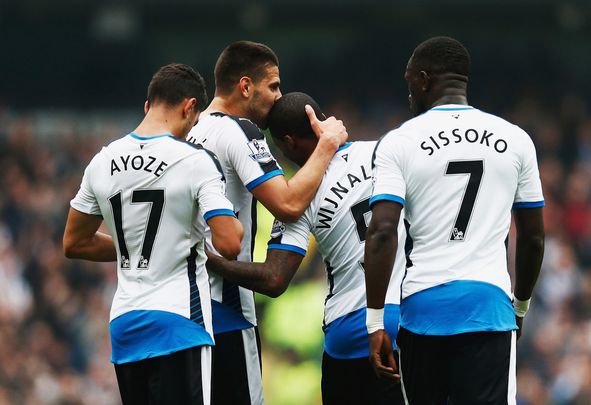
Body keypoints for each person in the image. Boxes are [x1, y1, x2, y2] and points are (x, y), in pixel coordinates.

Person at [364, 36, 545, 404]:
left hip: (422, 308)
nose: (409, 95)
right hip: (488, 306)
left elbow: (382, 231)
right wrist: (521, 306)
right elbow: (533, 238)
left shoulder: (398, 142)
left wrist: (375, 321)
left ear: (423, 79)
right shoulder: (516, 139)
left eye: (409, 83)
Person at [205, 92, 406, 405]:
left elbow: (273, 278)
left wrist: (210, 262)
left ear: (288, 143)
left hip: (351, 330)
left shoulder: (300, 195)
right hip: (411, 317)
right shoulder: (387, 152)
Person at [63, 63, 244, 405]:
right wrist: (233, 222)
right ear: (190, 108)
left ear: (147, 106)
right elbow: (229, 244)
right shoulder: (194, 160)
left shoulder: (102, 161)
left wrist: (136, 242)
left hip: (125, 326)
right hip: (179, 322)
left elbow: (74, 242)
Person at [186, 42, 348, 405]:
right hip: (227, 308)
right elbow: (289, 204)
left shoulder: (190, 132)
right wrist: (327, 145)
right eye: (273, 86)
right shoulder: (238, 131)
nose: (278, 97)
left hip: (188, 308)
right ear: (246, 87)